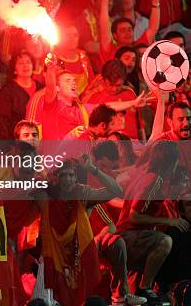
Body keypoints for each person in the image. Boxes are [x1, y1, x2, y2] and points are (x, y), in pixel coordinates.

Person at [40, 159, 124, 305]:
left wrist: (93, 168)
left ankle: (121, 294)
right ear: (57, 178)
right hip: (55, 254)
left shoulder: (83, 193)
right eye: (63, 175)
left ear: (76, 177)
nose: (67, 179)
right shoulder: (47, 195)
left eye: (71, 175)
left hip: (80, 252)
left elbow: (117, 191)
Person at [116, 141, 188, 303]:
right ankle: (146, 288)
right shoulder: (153, 180)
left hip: (130, 236)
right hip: (128, 236)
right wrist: (169, 221)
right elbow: (134, 216)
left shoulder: (145, 175)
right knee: (165, 241)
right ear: (171, 160)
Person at [82, 60, 140, 139]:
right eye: (110, 84)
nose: (114, 89)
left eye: (118, 85)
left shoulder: (130, 93)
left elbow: (140, 125)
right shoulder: (92, 98)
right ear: (103, 79)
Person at [0, 51, 43, 142]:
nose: (25, 66)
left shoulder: (41, 88)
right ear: (14, 69)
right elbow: (2, 124)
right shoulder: (6, 92)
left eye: (28, 62)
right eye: (20, 63)